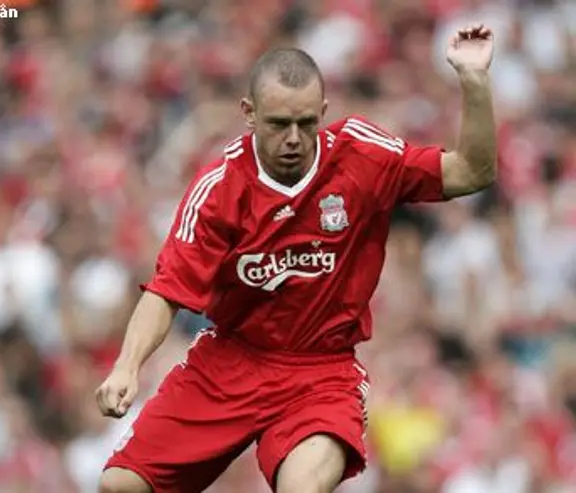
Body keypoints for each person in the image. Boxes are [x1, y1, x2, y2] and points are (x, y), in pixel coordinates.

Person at [95, 24, 497, 493]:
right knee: (120, 487)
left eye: (306, 124)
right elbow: (166, 292)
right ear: (249, 113)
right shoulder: (219, 188)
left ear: (323, 113)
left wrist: (473, 80)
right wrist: (127, 365)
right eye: (278, 124)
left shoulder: (361, 155)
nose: (293, 138)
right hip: (232, 361)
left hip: (321, 372)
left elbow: (472, 170)